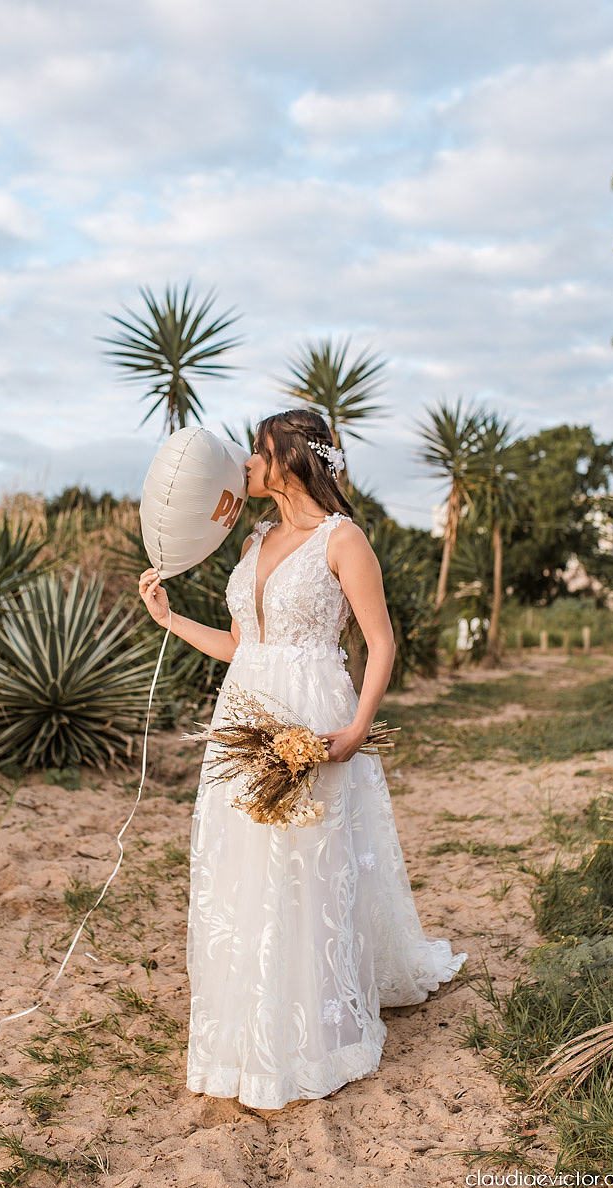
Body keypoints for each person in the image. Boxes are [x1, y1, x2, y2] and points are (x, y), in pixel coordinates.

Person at [138, 408, 467, 1110]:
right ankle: (252, 1005)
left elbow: (380, 644)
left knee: (307, 865)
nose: (245, 466)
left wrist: (354, 728)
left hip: (313, 713)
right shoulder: (254, 538)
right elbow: (240, 645)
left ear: (292, 459)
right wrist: (169, 618)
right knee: (245, 860)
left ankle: (318, 1021)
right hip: (245, 713)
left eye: (257, 453)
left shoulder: (342, 540)